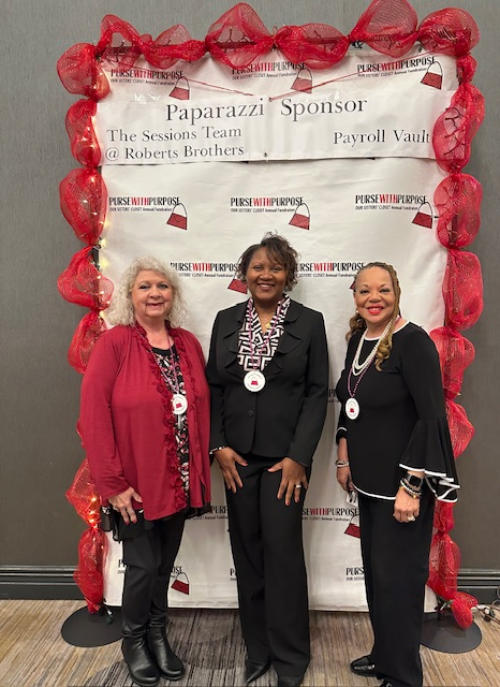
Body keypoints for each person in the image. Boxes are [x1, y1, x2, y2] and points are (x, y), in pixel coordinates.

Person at [79, 257, 211, 687]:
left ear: (173, 295)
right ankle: (133, 640)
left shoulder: (188, 343)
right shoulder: (114, 343)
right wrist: (113, 484)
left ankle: (157, 634)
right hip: (133, 485)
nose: (155, 293)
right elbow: (93, 416)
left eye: (162, 286)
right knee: (142, 566)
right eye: (145, 287)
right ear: (130, 296)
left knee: (163, 565)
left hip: (179, 479)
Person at [206, 234, 329, 687]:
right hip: (236, 459)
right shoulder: (225, 320)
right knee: (248, 554)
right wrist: (218, 446)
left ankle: (291, 656)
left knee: (283, 555)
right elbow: (214, 387)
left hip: (284, 464)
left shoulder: (309, 322)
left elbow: (317, 393)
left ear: (288, 275)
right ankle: (257, 650)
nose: (266, 274)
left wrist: (299, 457)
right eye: (258, 267)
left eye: (276, 267)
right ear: (245, 274)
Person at [335, 262, 459, 687]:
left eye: (383, 290)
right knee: (378, 578)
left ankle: (404, 675)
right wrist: (344, 455)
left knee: (400, 584)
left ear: (397, 292)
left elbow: (431, 418)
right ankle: (384, 655)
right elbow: (350, 404)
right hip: (368, 485)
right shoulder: (358, 340)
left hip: (401, 490)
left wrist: (411, 486)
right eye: (365, 290)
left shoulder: (414, 342)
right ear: (355, 296)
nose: (374, 298)